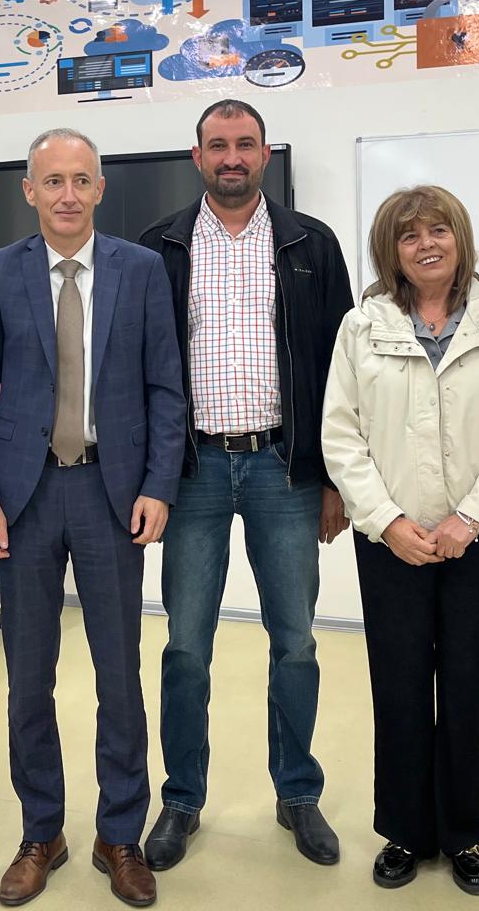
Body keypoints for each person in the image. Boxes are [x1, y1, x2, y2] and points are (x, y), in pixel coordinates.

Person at [0, 129, 185, 908]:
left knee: (119, 678)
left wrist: (158, 485)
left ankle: (120, 835)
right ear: (29, 191)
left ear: (99, 190)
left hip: (109, 493)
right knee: (29, 679)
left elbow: (165, 388)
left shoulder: (141, 270)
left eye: (80, 180)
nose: (66, 194)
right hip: (21, 499)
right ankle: (41, 832)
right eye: (51, 180)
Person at [136, 99, 354, 870]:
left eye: (246, 144)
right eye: (218, 145)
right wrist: (150, 477)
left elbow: (341, 372)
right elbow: (138, 370)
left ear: (264, 154)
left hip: (283, 470)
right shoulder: (159, 246)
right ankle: (181, 801)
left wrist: (333, 478)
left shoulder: (311, 244)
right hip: (191, 471)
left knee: (294, 642)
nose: (232, 157)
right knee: (185, 648)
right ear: (197, 157)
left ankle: (297, 793)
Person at [321, 185, 479, 897]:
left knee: (470, 684)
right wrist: (388, 521)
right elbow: (341, 434)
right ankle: (405, 833)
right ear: (391, 252)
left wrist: (472, 518)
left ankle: (464, 836)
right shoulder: (362, 327)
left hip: (477, 541)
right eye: (409, 235)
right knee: (398, 685)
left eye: (439, 230)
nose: (426, 245)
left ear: (460, 238)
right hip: (390, 541)